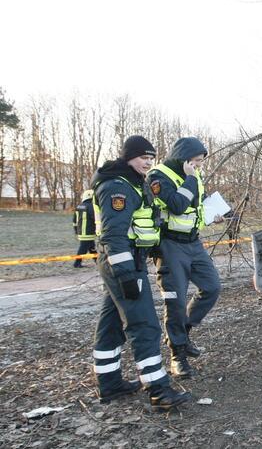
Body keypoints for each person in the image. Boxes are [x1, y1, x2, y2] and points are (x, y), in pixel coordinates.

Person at [91, 135, 191, 410]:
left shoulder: (132, 183)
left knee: (111, 324)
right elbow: (113, 235)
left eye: (150, 157)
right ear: (127, 157)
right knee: (144, 324)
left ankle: (109, 384)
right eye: (142, 157)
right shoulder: (117, 188)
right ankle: (159, 391)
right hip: (122, 263)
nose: (148, 161)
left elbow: (142, 225)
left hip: (127, 260)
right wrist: (125, 274)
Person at [148, 137, 223, 378]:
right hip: (169, 246)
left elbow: (194, 208)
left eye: (201, 163)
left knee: (211, 287)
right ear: (184, 158)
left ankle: (185, 331)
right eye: (197, 161)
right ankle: (177, 355)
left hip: (193, 242)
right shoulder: (158, 176)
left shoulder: (195, 175)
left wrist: (212, 215)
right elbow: (177, 205)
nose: (199, 166)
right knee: (175, 301)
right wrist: (190, 178)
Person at [72, 189, 97, 267]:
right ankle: (76, 263)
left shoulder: (79, 206)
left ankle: (98, 262)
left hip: (81, 232)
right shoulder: (92, 207)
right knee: (83, 249)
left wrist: (76, 231)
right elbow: (95, 218)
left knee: (91, 247)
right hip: (89, 232)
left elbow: (74, 220)